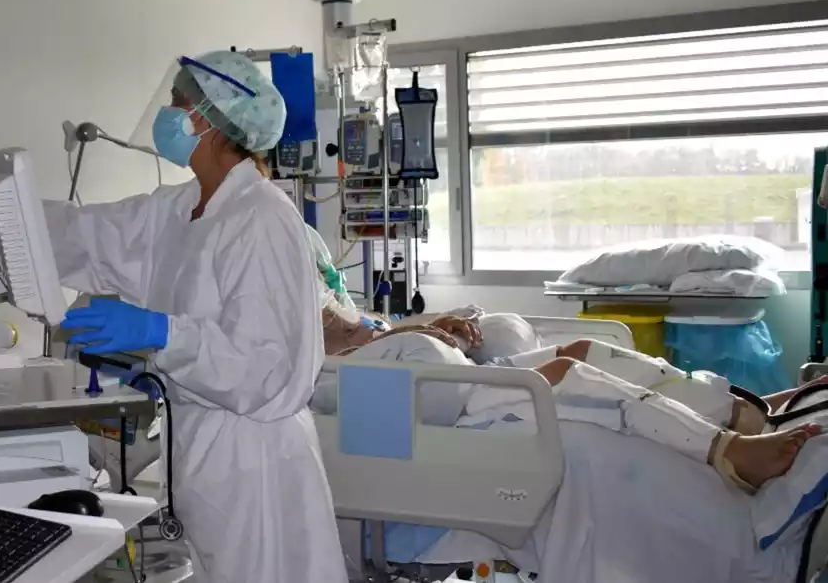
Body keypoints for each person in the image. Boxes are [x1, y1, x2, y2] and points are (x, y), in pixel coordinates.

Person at [49, 52, 346, 583]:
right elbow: (89, 235)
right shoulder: (183, 207)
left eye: (177, 103)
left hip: (256, 462)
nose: (168, 114)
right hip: (205, 452)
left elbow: (263, 368)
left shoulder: (260, 218)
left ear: (207, 121)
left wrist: (160, 331)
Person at [318, 297, 821, 493]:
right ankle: (722, 450)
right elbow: (322, 352)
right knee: (562, 371)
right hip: (387, 389)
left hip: (406, 359)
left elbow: (367, 324)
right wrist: (407, 338)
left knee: (584, 347)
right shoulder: (269, 271)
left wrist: (429, 325)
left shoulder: (307, 253)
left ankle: (746, 411)